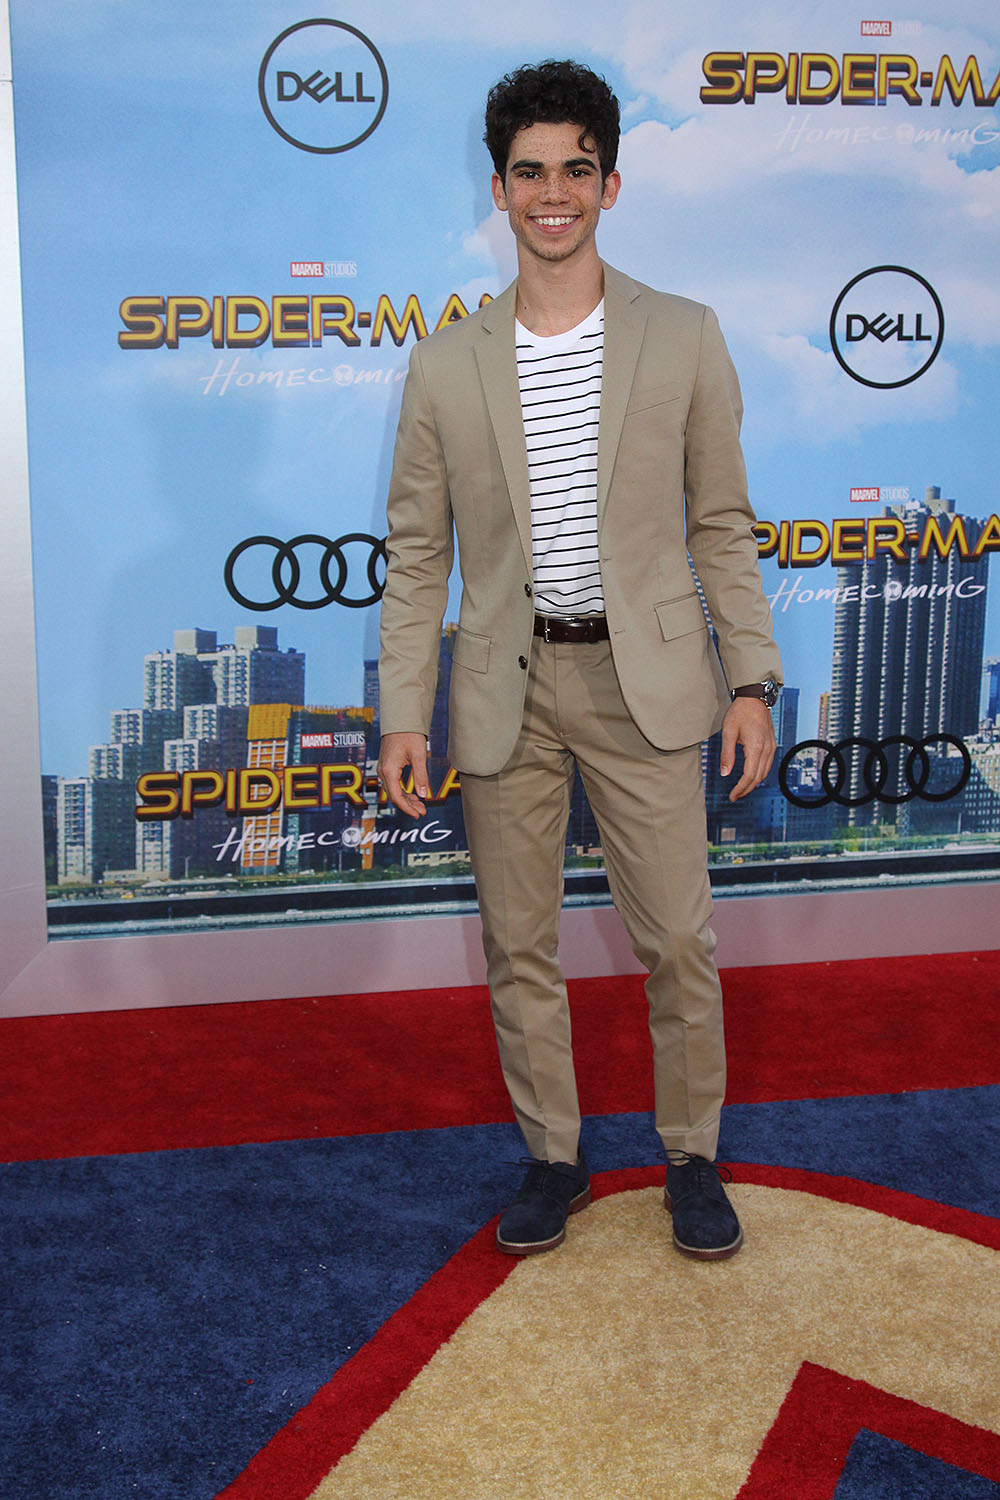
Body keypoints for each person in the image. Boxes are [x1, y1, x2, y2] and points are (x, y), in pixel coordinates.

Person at [377, 59, 782, 1260]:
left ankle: (692, 1155)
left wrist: (750, 679)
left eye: (575, 169)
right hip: (504, 688)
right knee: (518, 945)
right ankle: (552, 1156)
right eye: (528, 172)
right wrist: (404, 713)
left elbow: (722, 524)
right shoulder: (443, 363)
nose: (551, 193)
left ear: (609, 183)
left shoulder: (684, 335)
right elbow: (417, 556)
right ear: (498, 190)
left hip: (645, 683)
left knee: (677, 941)